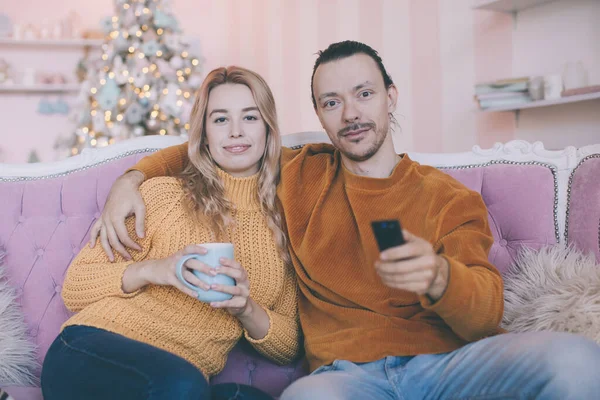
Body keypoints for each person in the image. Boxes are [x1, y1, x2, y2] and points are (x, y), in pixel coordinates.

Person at [90, 41, 600, 399]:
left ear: (390, 97)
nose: (350, 113)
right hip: (344, 379)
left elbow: (486, 313)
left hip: (447, 368)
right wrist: (130, 179)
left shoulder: (447, 197)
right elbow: (210, 144)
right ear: (318, 114)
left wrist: (442, 279)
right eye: (332, 102)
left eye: (364, 94)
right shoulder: (297, 171)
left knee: (576, 361)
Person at [41, 66, 300, 400]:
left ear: (268, 128)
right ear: (204, 133)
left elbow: (290, 342)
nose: (236, 132)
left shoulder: (282, 223)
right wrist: (156, 270)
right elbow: (75, 286)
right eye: (220, 120)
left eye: (250, 118)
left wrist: (245, 308)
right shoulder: (164, 194)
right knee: (182, 386)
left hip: (177, 378)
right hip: (90, 350)